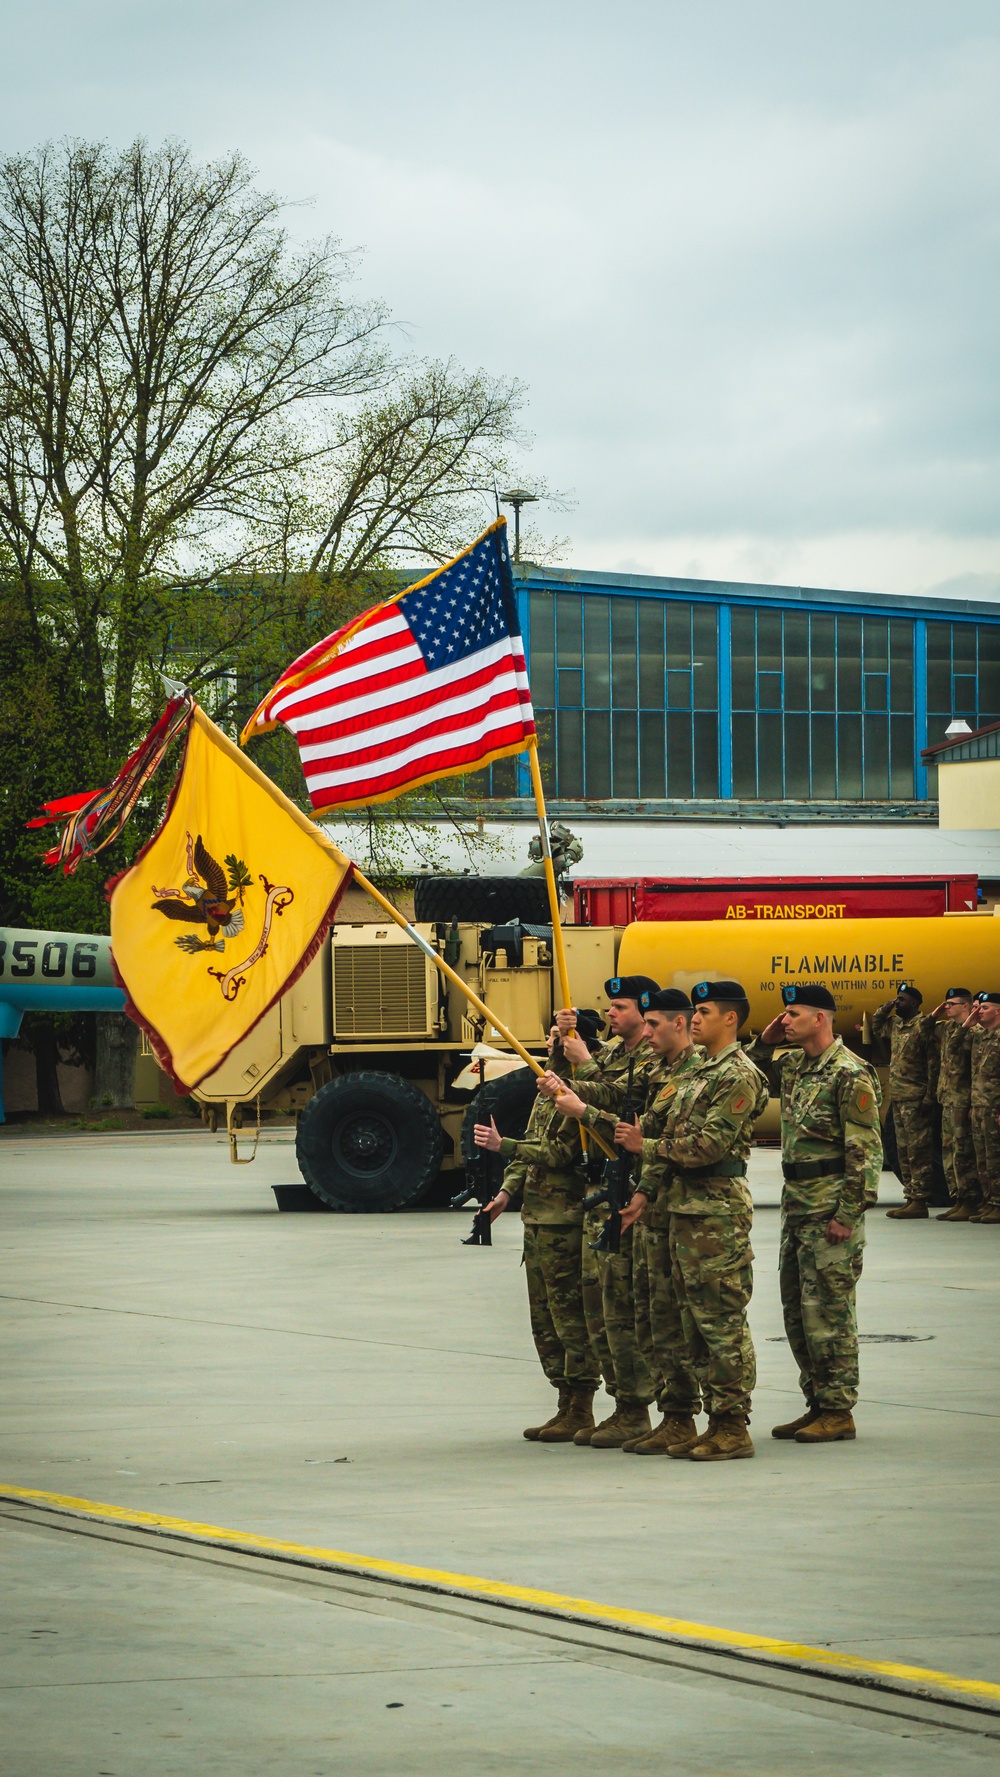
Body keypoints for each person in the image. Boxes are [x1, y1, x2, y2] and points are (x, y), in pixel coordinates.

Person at [603, 979, 767, 1462]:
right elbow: (670, 1133)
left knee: (720, 1321)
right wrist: (646, 1187)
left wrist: (644, 1147)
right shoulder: (698, 1074)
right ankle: (699, 1420)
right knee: (687, 1323)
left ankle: (733, 1425)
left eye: (706, 1011)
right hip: (682, 1209)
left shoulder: (737, 1074)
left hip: (716, 1213)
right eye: (694, 1011)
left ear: (730, 1019)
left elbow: (707, 1146)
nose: (695, 1018)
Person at [749, 985, 882, 1444]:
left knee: (828, 1311)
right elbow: (743, 1077)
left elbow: (864, 1151)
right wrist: (765, 1042)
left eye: (793, 1014)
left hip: (830, 1207)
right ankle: (817, 1403)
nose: (784, 1020)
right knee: (797, 1313)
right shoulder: (795, 1064)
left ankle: (839, 1409)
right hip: (798, 1204)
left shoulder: (849, 1073)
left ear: (820, 1019)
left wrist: (848, 1213)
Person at [537, 976, 660, 1449]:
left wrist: (584, 1061)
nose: (611, 1013)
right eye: (609, 1007)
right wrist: (564, 1042)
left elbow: (604, 1098)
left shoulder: (649, 1061)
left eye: (621, 1006)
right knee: (598, 1311)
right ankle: (609, 1404)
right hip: (600, 1192)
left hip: (631, 1193)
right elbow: (571, 1087)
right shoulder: (612, 1053)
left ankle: (635, 1407)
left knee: (626, 1308)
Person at [473, 1014, 605, 1443]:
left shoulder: (577, 1094)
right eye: (550, 1036)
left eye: (560, 1037)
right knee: (544, 1320)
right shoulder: (545, 1090)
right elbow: (529, 1150)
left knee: (570, 1319)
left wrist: (503, 1145)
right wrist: (506, 1193)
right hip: (538, 1218)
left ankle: (581, 1403)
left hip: (566, 1220)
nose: (551, 1043)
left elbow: (561, 1152)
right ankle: (564, 1401)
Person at [607, 988, 706, 1455]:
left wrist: (640, 1149)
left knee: (696, 1321)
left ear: (679, 1024)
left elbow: (684, 1143)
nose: (646, 1033)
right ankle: (674, 1415)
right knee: (653, 1319)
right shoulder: (662, 1072)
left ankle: (710, 1418)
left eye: (653, 1025)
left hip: (695, 1213)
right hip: (658, 1206)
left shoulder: (700, 1074)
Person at [870, 986, 938, 1220]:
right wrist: (885, 1008)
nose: (898, 1003)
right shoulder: (896, 1025)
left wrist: (930, 1096)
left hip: (916, 1097)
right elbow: (876, 1027)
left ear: (916, 1004)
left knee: (918, 1151)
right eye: (897, 999)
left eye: (902, 1000)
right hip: (899, 1097)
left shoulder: (924, 1026)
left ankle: (920, 1200)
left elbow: (933, 1063)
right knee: (902, 1151)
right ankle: (910, 1196)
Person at [929, 989, 980, 1221]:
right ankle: (958, 1197)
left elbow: (976, 1069)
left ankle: (969, 1199)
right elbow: (921, 1032)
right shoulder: (948, 1029)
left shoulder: (974, 1032)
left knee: (963, 1152)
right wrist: (933, 1015)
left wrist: (972, 1101)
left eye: (951, 1004)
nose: (946, 1007)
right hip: (947, 1098)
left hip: (962, 1098)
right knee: (949, 1150)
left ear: (966, 1007)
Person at [965, 992, 1000, 1224]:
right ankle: (989, 1202)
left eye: (985, 1008)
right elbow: (958, 1045)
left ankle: (998, 1203)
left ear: (998, 1011)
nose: (980, 1011)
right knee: (983, 1159)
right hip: (980, 1106)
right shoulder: (981, 1037)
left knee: (996, 1157)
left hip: (994, 1108)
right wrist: (969, 1023)